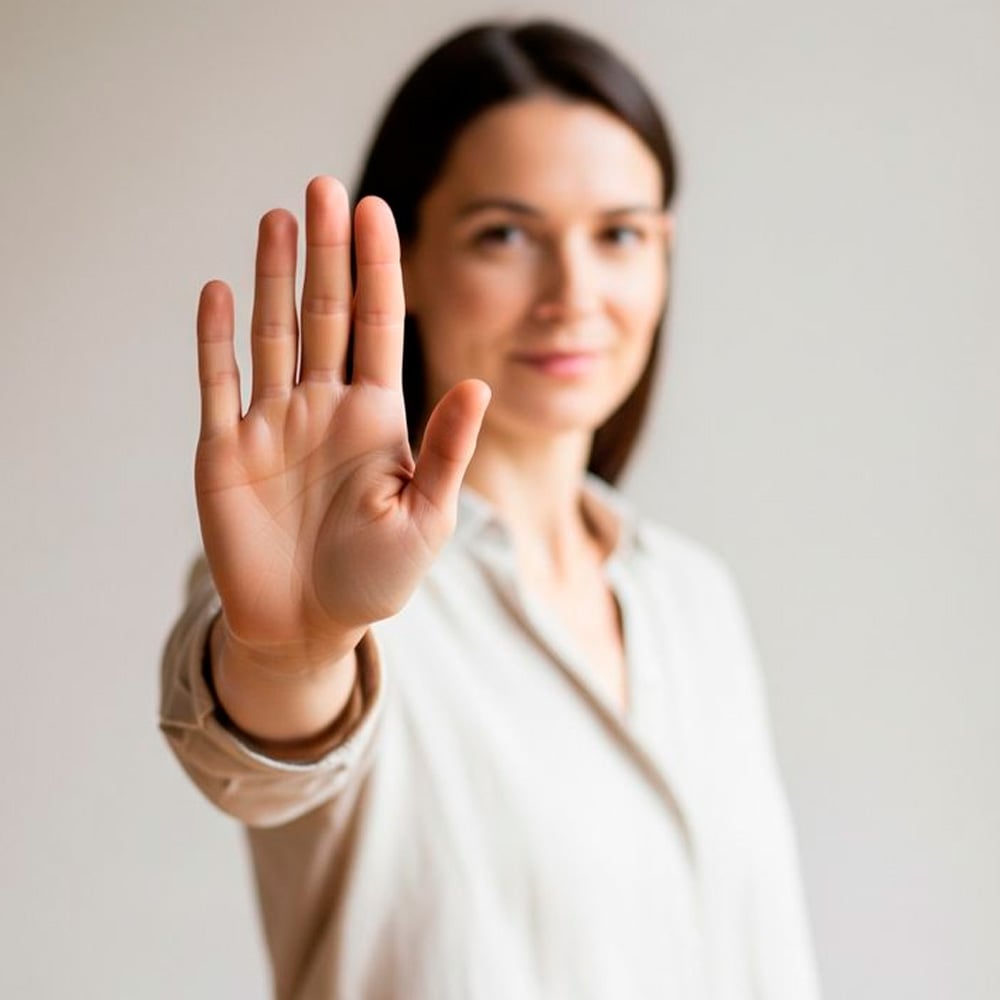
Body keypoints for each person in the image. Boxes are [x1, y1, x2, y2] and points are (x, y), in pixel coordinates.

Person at [160, 18, 822, 1000]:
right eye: (504, 234)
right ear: (408, 261)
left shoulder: (692, 598)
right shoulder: (334, 585)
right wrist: (292, 653)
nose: (573, 292)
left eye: (619, 234)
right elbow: (261, 757)